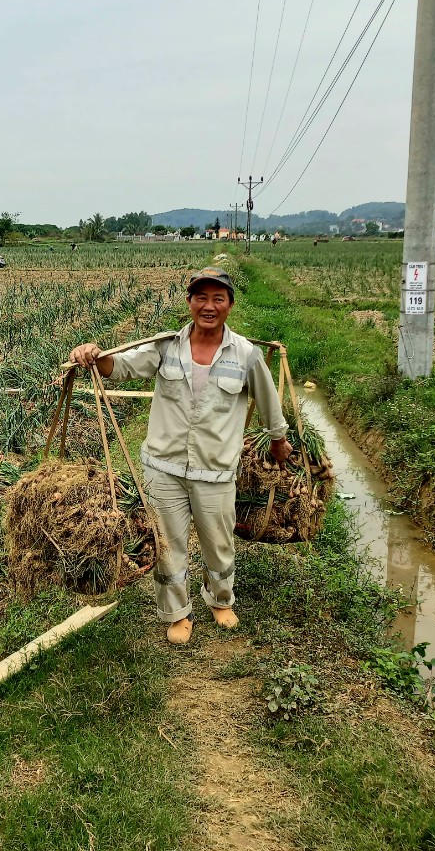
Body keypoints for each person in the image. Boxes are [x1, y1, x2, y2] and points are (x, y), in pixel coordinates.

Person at [69, 266, 292, 645]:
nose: (209, 306)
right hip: (164, 466)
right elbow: (120, 366)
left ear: (229, 305)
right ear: (189, 303)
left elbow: (269, 400)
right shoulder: (166, 345)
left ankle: (220, 600)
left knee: (218, 541)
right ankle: (177, 612)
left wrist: (277, 439)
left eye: (217, 298)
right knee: (168, 543)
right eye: (201, 297)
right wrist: (93, 354)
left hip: (216, 469)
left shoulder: (246, 355)